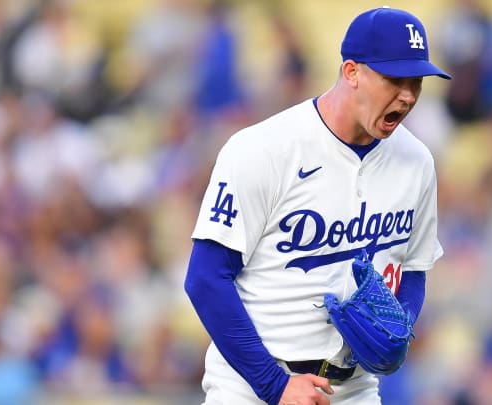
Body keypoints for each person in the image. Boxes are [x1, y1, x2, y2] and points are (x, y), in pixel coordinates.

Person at [184, 6, 450, 405]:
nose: (408, 95)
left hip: (354, 387)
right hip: (252, 382)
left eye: (417, 81)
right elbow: (205, 278)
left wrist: (401, 325)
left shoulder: (417, 162)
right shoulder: (264, 149)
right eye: (394, 79)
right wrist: (274, 385)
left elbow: (414, 269)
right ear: (351, 72)